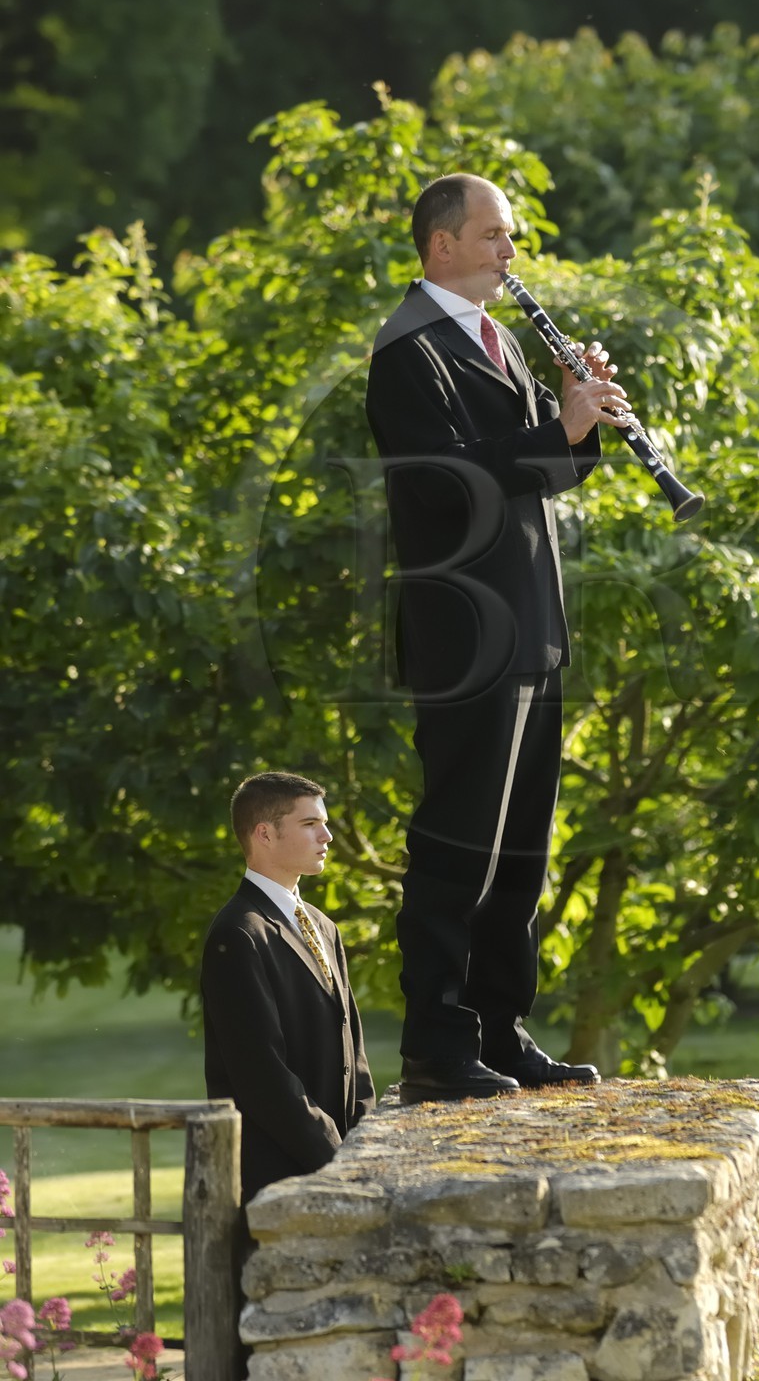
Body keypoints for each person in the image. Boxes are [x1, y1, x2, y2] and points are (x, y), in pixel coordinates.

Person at [365, 172, 627, 1103]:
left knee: (522, 846)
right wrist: (554, 428)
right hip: (467, 633)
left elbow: (538, 472)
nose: (511, 254)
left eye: (509, 238)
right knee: (459, 844)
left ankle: (500, 1028)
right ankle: (437, 1045)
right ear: (441, 245)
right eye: (493, 237)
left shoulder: (499, 339)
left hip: (531, 625)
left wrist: (577, 415)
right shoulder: (407, 350)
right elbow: (443, 481)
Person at [201, 770, 375, 1202]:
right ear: (265, 834)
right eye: (310, 824)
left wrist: (368, 1147)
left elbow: (354, 1050)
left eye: (325, 823)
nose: (328, 836)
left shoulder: (323, 926)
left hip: (347, 1167)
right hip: (280, 1177)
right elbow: (262, 1076)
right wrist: (335, 1159)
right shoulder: (238, 933)